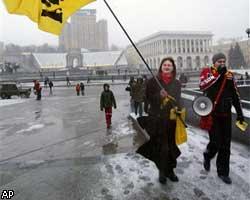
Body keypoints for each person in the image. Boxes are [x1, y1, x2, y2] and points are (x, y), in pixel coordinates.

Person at [199, 53, 244, 184]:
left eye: (224, 61)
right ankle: (208, 155)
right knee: (216, 142)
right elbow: (202, 86)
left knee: (226, 145)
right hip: (212, 114)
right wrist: (217, 75)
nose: (222, 63)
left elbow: (235, 95)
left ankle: (223, 172)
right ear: (214, 63)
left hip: (226, 115)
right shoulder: (207, 72)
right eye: (219, 61)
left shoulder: (229, 75)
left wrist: (240, 113)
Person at [136, 57, 182, 185]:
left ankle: (171, 170)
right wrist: (158, 96)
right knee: (162, 147)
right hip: (157, 119)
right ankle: (162, 171)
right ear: (161, 67)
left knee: (172, 146)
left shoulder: (177, 83)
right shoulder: (153, 81)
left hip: (171, 119)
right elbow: (147, 98)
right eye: (165, 65)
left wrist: (179, 108)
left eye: (169, 65)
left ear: (173, 68)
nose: (167, 67)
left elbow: (178, 99)